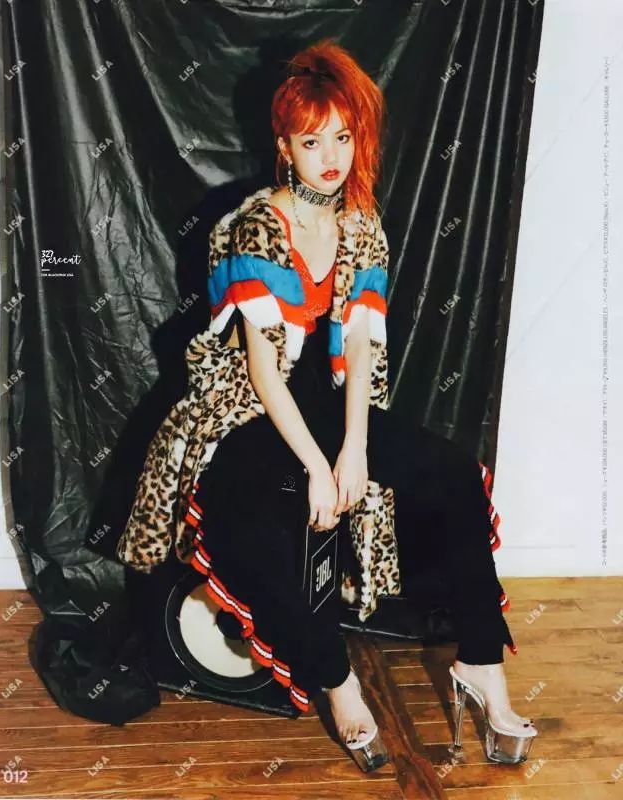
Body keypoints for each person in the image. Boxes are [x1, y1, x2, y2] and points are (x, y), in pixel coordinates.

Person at [116, 38, 538, 771]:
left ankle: (482, 667)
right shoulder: (253, 226)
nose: (331, 156)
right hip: (245, 408)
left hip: (329, 400)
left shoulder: (361, 222)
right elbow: (262, 371)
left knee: (452, 474)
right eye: (312, 141)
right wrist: (318, 467)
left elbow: (363, 348)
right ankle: (339, 684)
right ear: (284, 146)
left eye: (342, 137)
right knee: (248, 535)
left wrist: (355, 450)